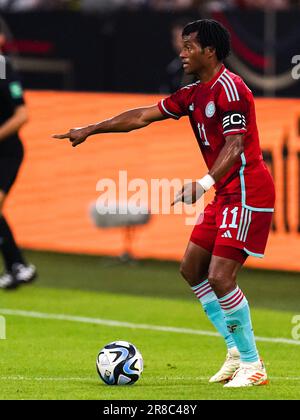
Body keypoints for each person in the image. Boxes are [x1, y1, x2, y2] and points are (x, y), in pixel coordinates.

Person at [53, 19, 275, 388]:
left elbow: (235, 147)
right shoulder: (193, 93)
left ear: (210, 51)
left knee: (221, 276)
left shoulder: (231, 89)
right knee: (192, 268)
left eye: (189, 46)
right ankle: (236, 352)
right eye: (183, 45)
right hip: (225, 192)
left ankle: (254, 366)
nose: (182, 52)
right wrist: (90, 129)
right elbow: (141, 116)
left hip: (248, 190)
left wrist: (202, 183)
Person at [0, 23, 37, 289]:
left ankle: (18, 266)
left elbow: (22, 115)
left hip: (7, 152)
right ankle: (18, 266)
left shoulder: (3, 67)